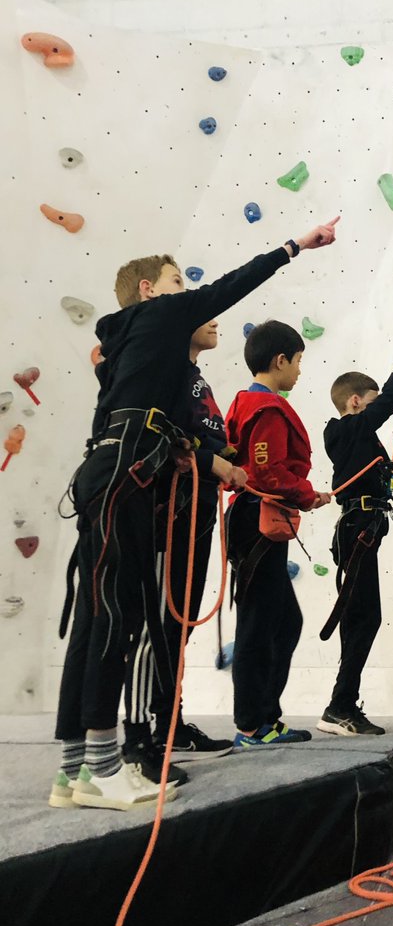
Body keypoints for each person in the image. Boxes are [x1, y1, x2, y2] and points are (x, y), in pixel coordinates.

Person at [51, 219, 339, 812]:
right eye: (178, 282)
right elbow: (231, 286)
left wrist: (197, 456)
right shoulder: (160, 317)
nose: (189, 295)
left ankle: (76, 769)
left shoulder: (137, 350)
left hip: (113, 469)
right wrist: (294, 246)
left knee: (98, 616)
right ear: (151, 291)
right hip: (127, 476)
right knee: (118, 617)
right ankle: (103, 766)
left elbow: (120, 411)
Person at [123, 319, 244, 777]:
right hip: (170, 508)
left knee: (178, 624)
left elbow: (197, 433)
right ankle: (142, 736)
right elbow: (162, 435)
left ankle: (167, 723)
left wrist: (223, 461)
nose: (214, 318)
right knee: (156, 624)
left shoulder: (193, 376)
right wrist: (211, 460)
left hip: (196, 506)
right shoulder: (164, 369)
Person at [225, 321, 330, 749]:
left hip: (255, 519)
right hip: (257, 521)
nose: (300, 370)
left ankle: (265, 717)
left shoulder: (246, 403)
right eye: (299, 361)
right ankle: (253, 724)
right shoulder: (265, 408)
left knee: (283, 621)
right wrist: (307, 494)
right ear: (280, 360)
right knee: (260, 623)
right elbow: (267, 471)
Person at [317, 334, 393, 737]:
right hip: (357, 529)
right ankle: (340, 705)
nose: (376, 408)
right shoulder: (347, 430)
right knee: (364, 617)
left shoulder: (356, 435)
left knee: (360, 617)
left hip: (363, 528)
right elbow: (389, 402)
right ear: (356, 401)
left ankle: (342, 702)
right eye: (370, 401)